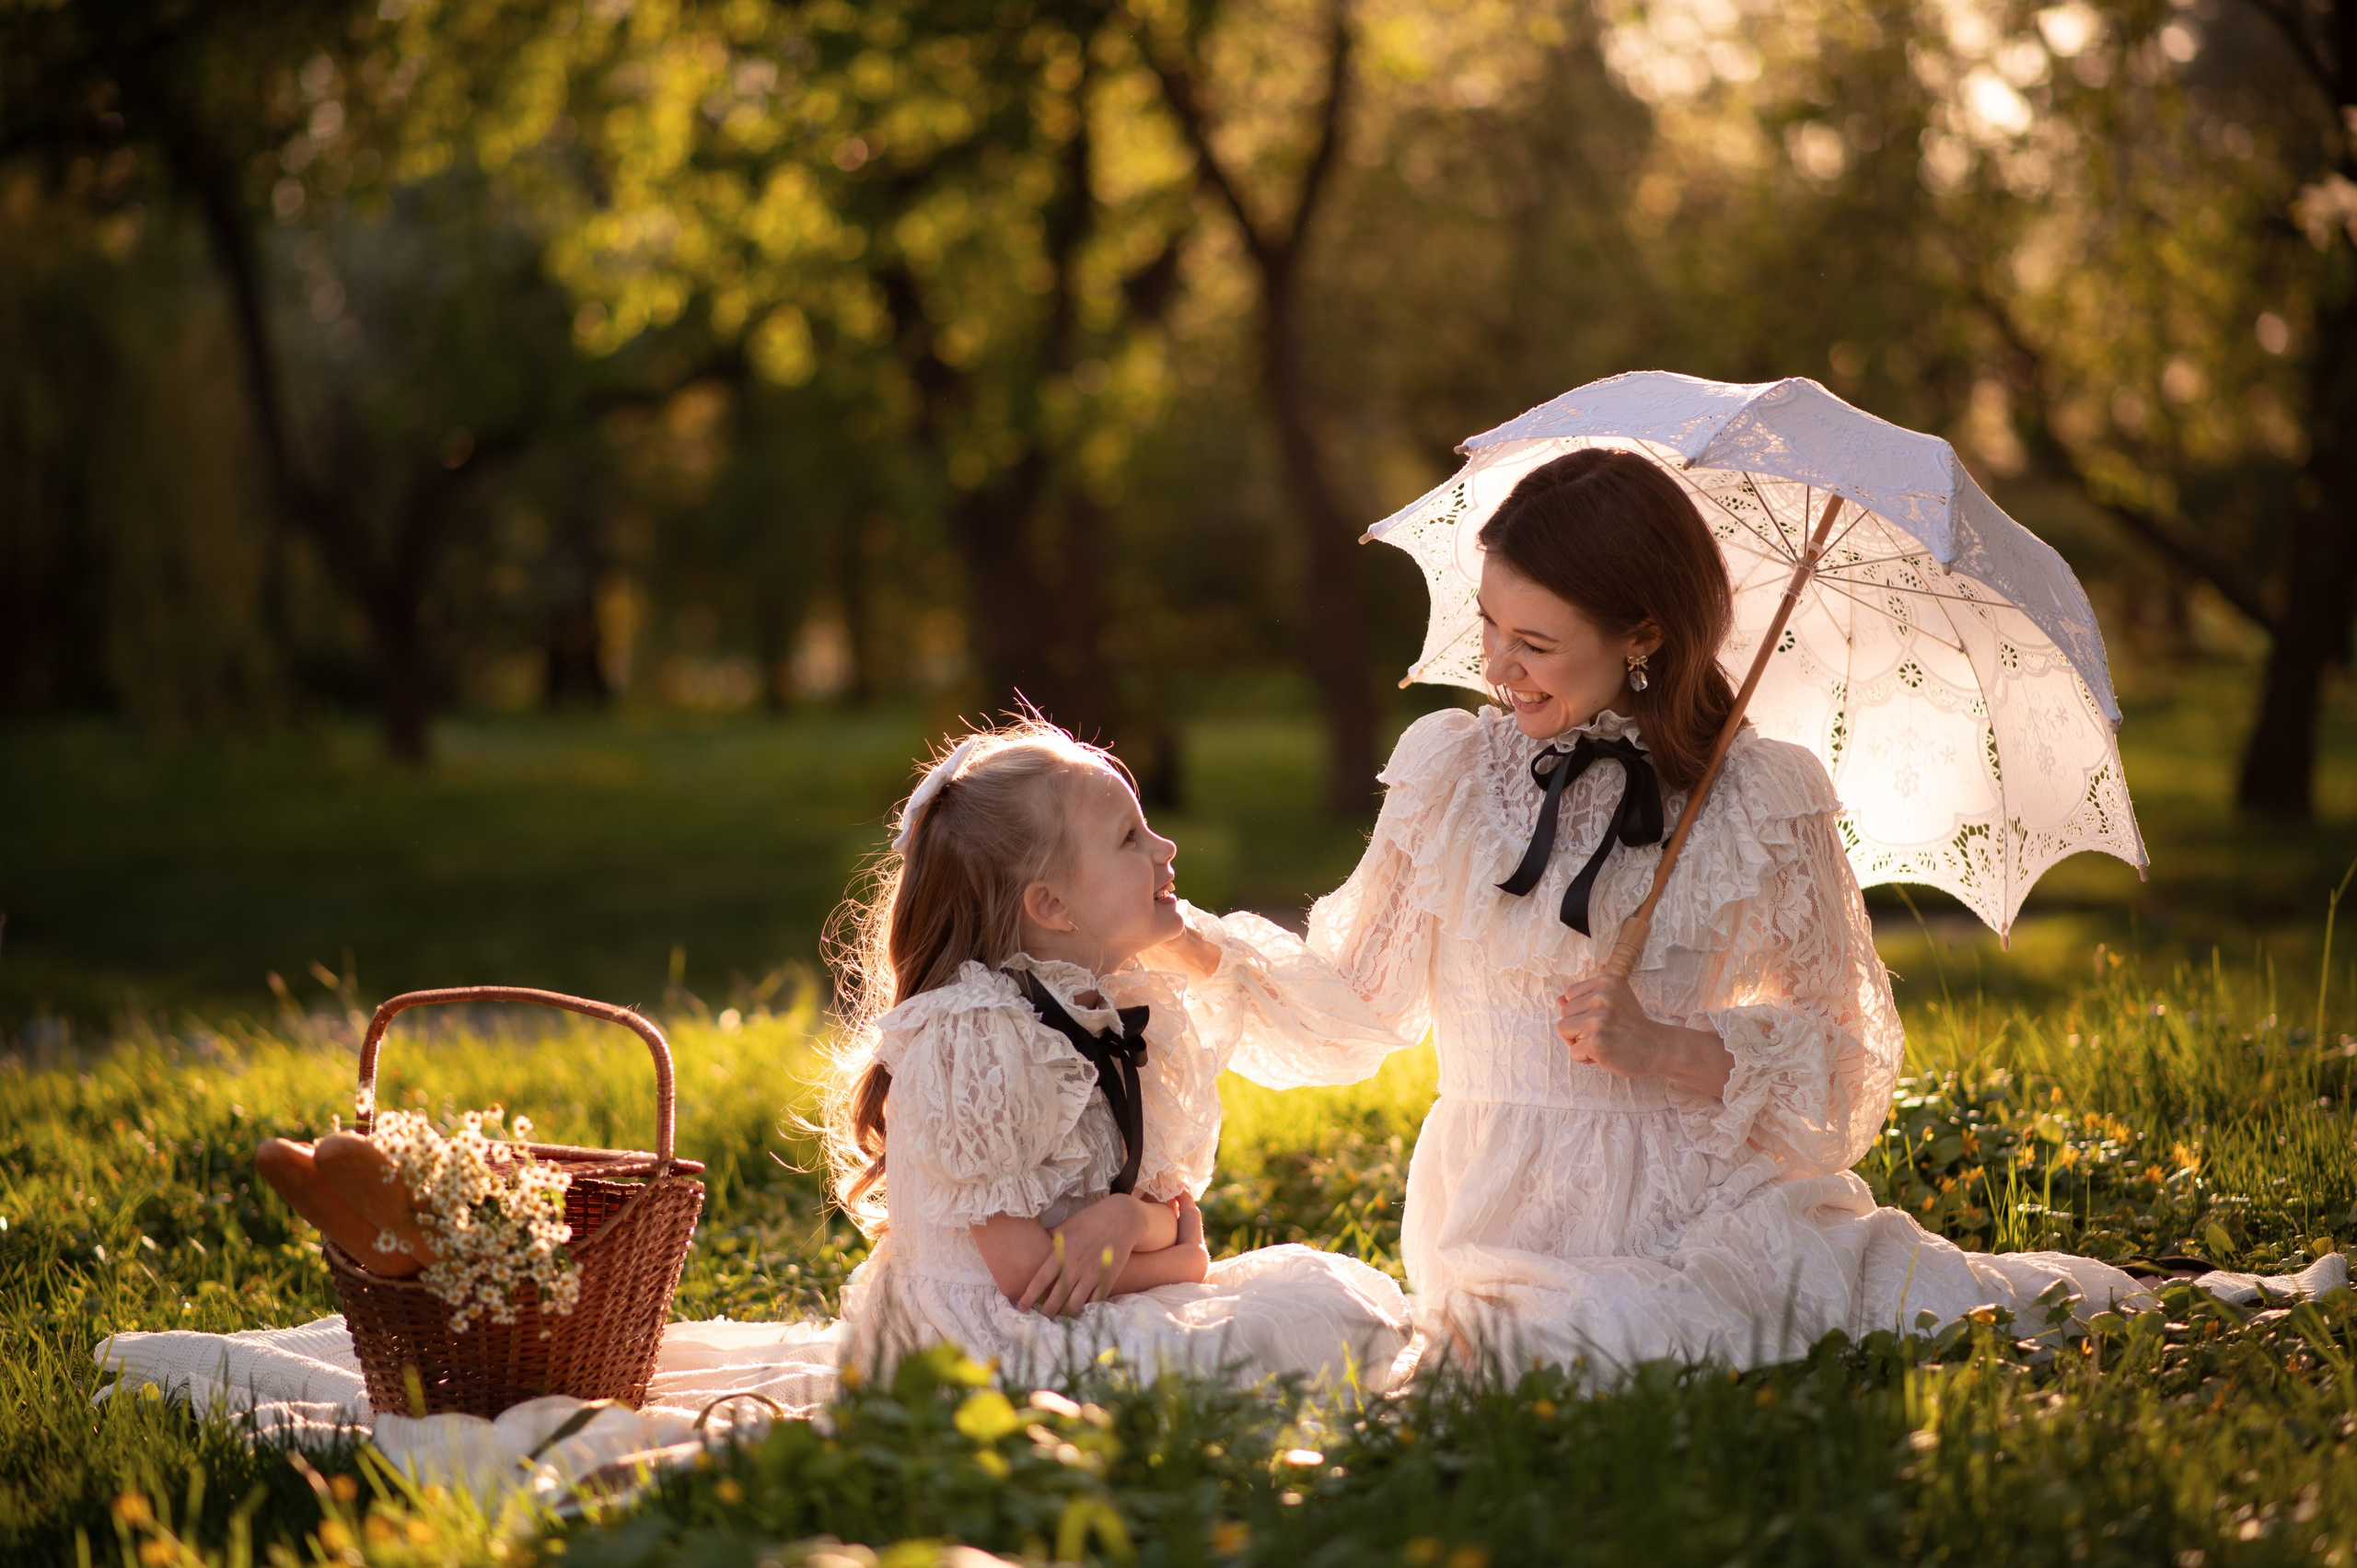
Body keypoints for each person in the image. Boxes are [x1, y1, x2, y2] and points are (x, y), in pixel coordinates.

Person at [1154, 447, 2154, 1374]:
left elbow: (1844, 1063)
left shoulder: (1758, 794)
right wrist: (1187, 945)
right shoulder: (1452, 769)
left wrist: (1671, 1046)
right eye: (1492, 625)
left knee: (1883, 1308)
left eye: (1536, 642)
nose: (1498, 666)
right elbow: (1354, 1000)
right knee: (1529, 1349)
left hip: (1698, 1206)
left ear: (1643, 636)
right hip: (1501, 1214)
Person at [825, 719, 1414, 1389]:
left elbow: (1168, 1213)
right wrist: (1178, 1265)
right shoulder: (974, 1040)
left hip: (1083, 1301)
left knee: (1332, 1307)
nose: (1166, 846)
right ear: (1053, 905)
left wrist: (1128, 1218)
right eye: (1129, 839)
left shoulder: (1119, 1006)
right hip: (982, 1341)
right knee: (1262, 1348)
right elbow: (1029, 1276)